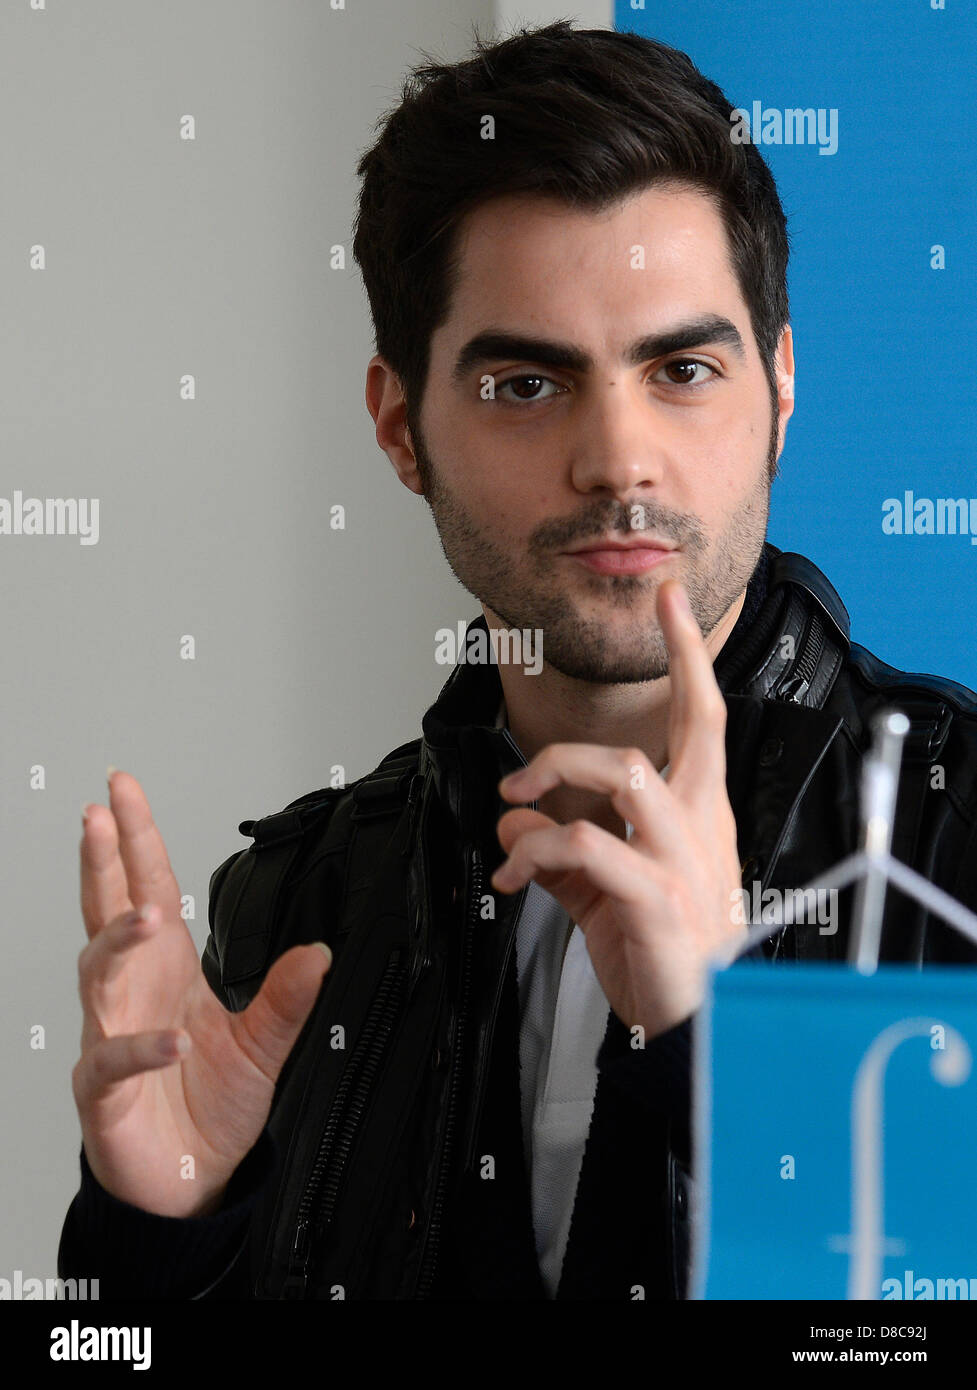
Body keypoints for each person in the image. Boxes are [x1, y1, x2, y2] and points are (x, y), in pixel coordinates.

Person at [58, 20, 977, 1301]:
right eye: (524, 386)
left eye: (681, 369)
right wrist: (160, 1238)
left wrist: (721, 1055)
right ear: (397, 426)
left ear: (777, 387)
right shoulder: (299, 904)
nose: (616, 459)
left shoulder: (951, 838)